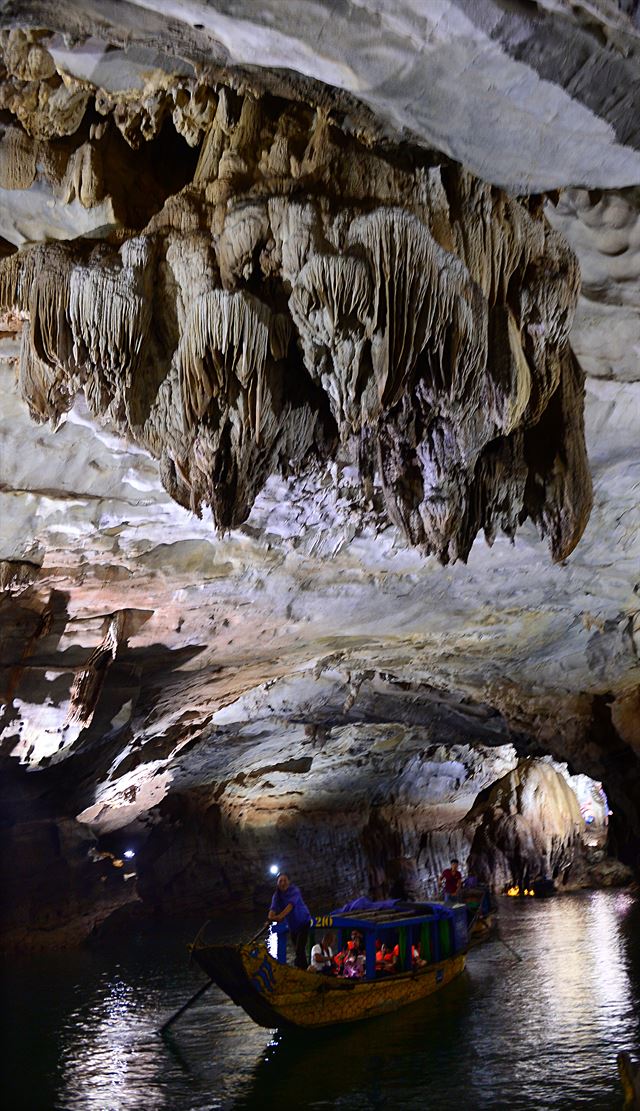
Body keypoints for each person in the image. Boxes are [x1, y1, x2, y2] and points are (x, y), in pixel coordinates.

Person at [268, 872, 311, 970]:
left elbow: (290, 906)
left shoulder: (294, 891)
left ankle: (301, 969)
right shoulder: (277, 895)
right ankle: (304, 970)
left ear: (289, 882)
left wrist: (279, 917)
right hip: (293, 926)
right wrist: (270, 918)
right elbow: (273, 909)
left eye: (285, 880)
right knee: (298, 951)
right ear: (277, 883)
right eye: (280, 881)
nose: (283, 883)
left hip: (304, 922)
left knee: (299, 949)